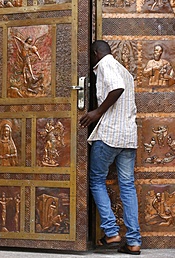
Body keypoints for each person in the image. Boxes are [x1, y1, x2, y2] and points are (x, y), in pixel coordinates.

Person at [79, 40, 141, 255]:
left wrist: (96, 112)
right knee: (127, 186)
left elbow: (117, 88)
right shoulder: (124, 70)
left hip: (109, 135)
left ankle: (111, 232)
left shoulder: (105, 64)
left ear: (96, 53)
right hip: (128, 136)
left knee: (96, 180)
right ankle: (133, 242)